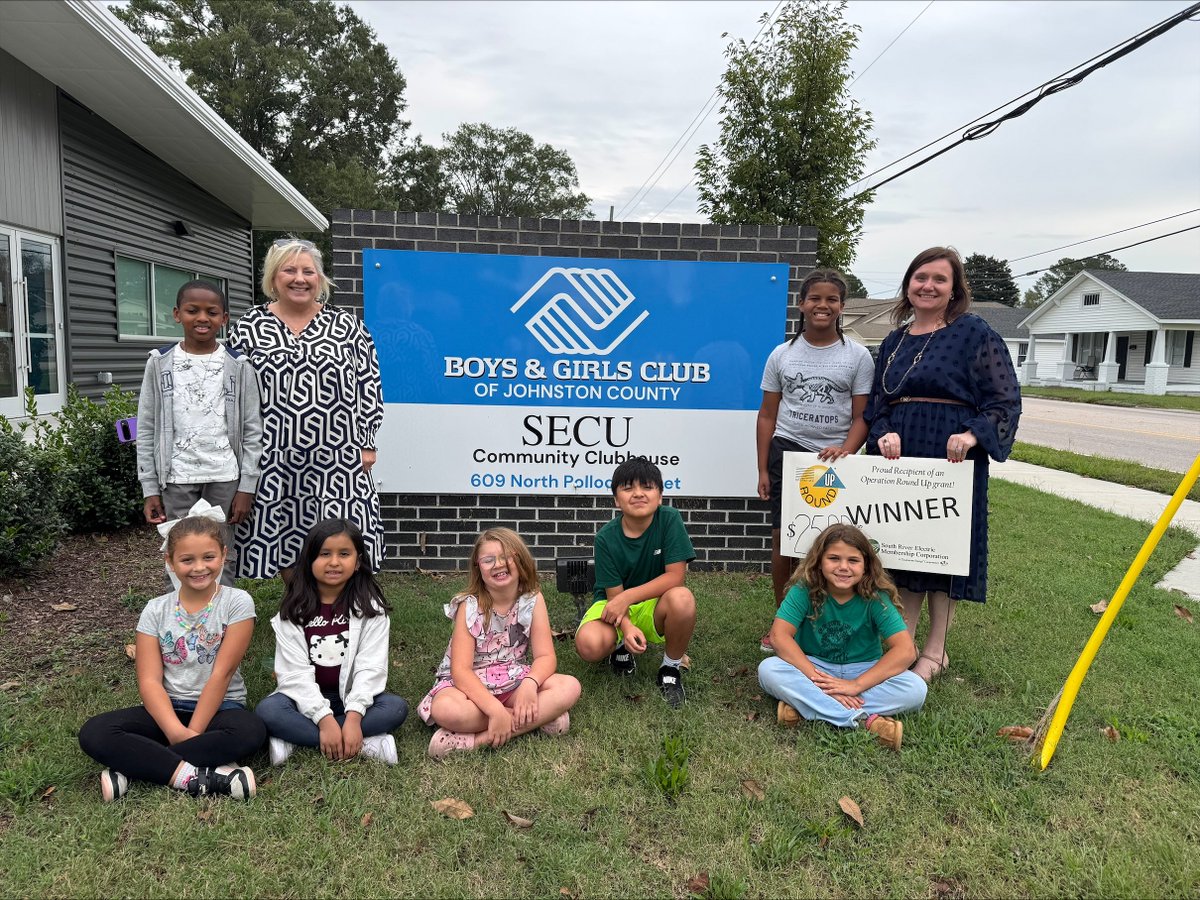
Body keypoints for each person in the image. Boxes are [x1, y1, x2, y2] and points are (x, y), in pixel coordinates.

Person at [864, 246, 1021, 681]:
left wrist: (972, 435)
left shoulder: (975, 333)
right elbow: (877, 404)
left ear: (954, 289)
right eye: (920, 277)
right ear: (908, 284)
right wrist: (884, 432)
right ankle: (905, 643)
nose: (928, 286)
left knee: (943, 551)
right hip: (902, 450)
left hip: (952, 453)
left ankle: (936, 650)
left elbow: (1004, 399)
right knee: (905, 549)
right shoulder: (894, 340)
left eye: (939, 279)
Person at [228, 238, 384, 581]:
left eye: (308, 271)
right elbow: (233, 395)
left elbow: (368, 384)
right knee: (284, 531)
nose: (299, 278)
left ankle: (336, 607)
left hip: (338, 452)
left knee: (336, 533)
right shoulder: (249, 328)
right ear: (273, 278)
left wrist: (367, 441)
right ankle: (299, 604)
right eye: (289, 270)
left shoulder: (348, 327)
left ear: (320, 279)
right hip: (273, 453)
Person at [78, 515, 264, 800]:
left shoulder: (237, 602)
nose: (199, 567)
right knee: (95, 732)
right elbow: (150, 681)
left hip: (221, 709)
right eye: (187, 560)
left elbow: (221, 674)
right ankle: (198, 775)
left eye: (209, 557)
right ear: (170, 561)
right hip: (167, 708)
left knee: (251, 731)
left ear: (224, 555)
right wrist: (175, 730)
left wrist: (192, 732)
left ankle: (131, 769)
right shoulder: (155, 610)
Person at [756, 268, 874, 653]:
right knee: (783, 544)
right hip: (788, 452)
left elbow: (862, 417)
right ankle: (782, 625)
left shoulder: (857, 356)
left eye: (832, 299)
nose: (823, 305)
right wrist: (762, 468)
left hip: (835, 460)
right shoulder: (782, 354)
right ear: (802, 304)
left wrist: (847, 451)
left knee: (833, 545)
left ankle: (830, 620)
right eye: (815, 298)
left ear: (841, 307)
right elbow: (767, 415)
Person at [137, 280, 263, 586]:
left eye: (212, 311)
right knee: (181, 550)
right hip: (177, 477)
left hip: (224, 476)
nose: (202, 318)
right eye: (193, 310)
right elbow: (146, 426)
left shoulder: (239, 365)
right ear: (177, 314)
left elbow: (251, 427)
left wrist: (247, 485)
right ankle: (179, 622)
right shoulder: (159, 363)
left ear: (224, 318)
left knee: (221, 551)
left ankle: (222, 621)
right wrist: (150, 487)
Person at [758, 523, 926, 751]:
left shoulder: (875, 596)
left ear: (866, 566)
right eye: (834, 558)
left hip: (864, 670)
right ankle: (864, 720)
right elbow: (779, 636)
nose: (843, 567)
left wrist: (855, 685)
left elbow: (905, 650)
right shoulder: (804, 590)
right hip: (814, 668)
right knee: (769, 670)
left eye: (853, 561)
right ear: (818, 562)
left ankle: (806, 708)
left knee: (915, 688)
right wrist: (817, 678)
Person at [417, 528, 581, 758]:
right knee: (445, 709)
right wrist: (495, 710)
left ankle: (474, 741)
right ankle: (536, 717)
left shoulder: (532, 600)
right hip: (467, 686)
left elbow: (545, 657)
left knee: (569, 686)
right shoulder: (470, 606)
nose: (498, 564)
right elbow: (460, 671)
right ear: (478, 568)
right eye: (488, 559)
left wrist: (530, 684)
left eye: (506, 557)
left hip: (512, 678)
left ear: (521, 560)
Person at [255, 518, 408, 765]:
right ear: (309, 560)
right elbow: (293, 675)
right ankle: (366, 743)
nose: (334, 562)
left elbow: (371, 668)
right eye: (325, 553)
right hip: (302, 700)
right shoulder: (293, 612)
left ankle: (296, 740)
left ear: (358, 562)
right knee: (268, 711)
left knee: (396, 707)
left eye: (344, 554)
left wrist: (355, 716)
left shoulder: (371, 611)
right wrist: (323, 719)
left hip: (351, 697)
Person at [574, 456, 697, 708]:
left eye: (647, 487)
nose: (638, 494)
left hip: (654, 603)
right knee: (589, 645)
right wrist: (627, 627)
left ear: (660, 496)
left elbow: (675, 577)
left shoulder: (670, 519)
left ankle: (670, 668)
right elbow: (613, 595)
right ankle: (620, 646)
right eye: (628, 488)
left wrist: (628, 598)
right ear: (616, 500)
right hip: (612, 602)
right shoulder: (605, 537)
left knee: (682, 598)